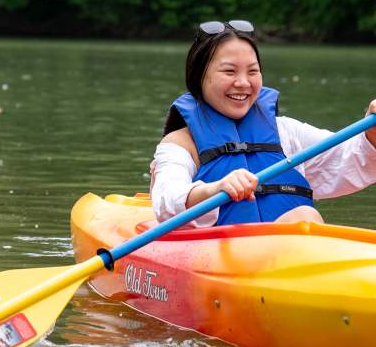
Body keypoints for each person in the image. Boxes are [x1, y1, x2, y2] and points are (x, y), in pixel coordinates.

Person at [151, 20, 376, 227]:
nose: (243, 82)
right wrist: (217, 188)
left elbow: (349, 159)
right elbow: (167, 199)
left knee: (304, 218)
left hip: (295, 251)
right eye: (229, 71)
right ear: (199, 76)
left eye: (253, 71)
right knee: (303, 218)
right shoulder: (181, 143)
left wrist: (372, 131)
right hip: (222, 254)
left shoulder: (286, 132)